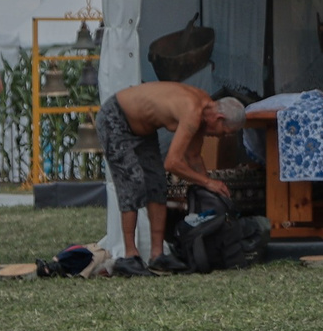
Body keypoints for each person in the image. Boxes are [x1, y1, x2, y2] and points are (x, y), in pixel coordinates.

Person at [99, 80, 244, 271]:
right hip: (116, 118)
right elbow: (173, 162)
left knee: (158, 183)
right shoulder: (193, 112)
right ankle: (130, 256)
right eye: (225, 132)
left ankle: (158, 255)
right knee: (133, 182)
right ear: (219, 118)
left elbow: (193, 158)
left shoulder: (204, 113)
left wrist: (212, 194)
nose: (220, 137)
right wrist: (208, 182)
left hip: (144, 130)